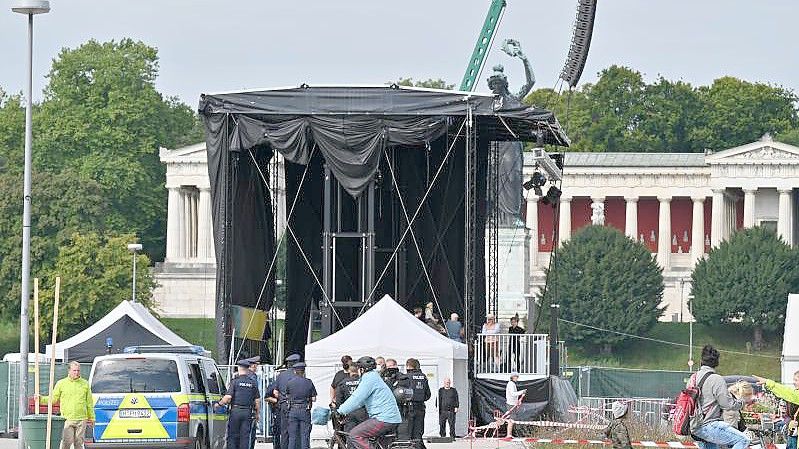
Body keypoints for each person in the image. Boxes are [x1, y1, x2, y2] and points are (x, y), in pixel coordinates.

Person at [689, 345, 750, 449]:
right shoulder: (716, 379)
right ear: (716, 362)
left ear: (701, 360)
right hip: (709, 425)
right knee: (743, 440)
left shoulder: (693, 378)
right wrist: (742, 402)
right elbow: (727, 404)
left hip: (694, 425)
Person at [335, 356, 402, 449]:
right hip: (389, 417)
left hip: (384, 418)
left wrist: (340, 411)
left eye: (358, 368)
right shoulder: (374, 377)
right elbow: (360, 402)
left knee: (355, 434)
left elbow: (356, 398)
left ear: (362, 369)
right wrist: (346, 411)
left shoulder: (369, 378)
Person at [40, 361, 94, 449]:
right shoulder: (61, 383)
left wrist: (92, 417)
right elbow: (53, 399)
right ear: (69, 371)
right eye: (74, 370)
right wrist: (41, 399)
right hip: (67, 419)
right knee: (66, 443)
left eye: (78, 371)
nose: (76, 373)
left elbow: (89, 402)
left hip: (81, 419)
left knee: (79, 444)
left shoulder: (85, 384)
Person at [216, 360, 261, 449]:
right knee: (245, 437)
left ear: (239, 368)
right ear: (248, 369)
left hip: (235, 412)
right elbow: (257, 401)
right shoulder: (252, 383)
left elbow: (228, 397)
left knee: (233, 436)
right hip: (248, 412)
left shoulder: (235, 382)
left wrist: (219, 403)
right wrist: (257, 414)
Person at [753, 370, 799, 449]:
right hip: (793, 430)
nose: (794, 382)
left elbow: (786, 392)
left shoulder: (795, 395)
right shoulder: (794, 394)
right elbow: (787, 414)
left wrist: (768, 383)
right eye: (793, 380)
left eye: (796, 380)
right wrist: (790, 422)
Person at [397, 358, 431, 448]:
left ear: (408, 366)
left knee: (408, 435)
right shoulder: (424, 377)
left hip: (409, 409)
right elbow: (428, 395)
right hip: (421, 408)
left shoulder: (406, 377)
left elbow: (399, 394)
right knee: (418, 434)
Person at [285, 363, 317, 449]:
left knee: (292, 437)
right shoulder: (309, 382)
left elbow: (287, 396)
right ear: (304, 371)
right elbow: (314, 398)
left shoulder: (290, 382)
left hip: (293, 410)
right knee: (305, 436)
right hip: (305, 410)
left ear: (295, 371)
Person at [274, 353, 303, 449]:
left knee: (284, 431)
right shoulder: (299, 375)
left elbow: (275, 392)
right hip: (296, 405)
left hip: (283, 405)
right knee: (297, 430)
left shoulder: (281, 375)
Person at [333, 363, 368, 431]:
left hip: (349, 412)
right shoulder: (364, 381)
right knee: (364, 433)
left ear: (349, 371)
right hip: (363, 411)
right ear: (358, 370)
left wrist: (340, 413)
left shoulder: (343, 383)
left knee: (350, 434)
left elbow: (339, 400)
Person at [504, 372, 525, 437]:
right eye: (516, 377)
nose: (517, 378)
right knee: (511, 420)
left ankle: (509, 434)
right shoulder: (511, 384)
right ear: (513, 377)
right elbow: (513, 394)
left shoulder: (512, 384)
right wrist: (522, 392)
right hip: (511, 404)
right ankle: (508, 435)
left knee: (511, 420)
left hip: (512, 403)